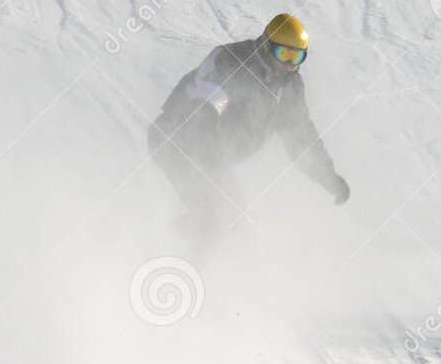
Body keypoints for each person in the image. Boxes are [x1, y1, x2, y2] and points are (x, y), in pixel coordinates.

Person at [149, 13, 350, 243]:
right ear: (266, 45)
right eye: (283, 54)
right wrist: (208, 158)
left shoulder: (288, 88)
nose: (289, 64)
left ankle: (162, 242)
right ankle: (167, 251)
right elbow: (205, 105)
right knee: (215, 214)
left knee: (233, 213)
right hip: (177, 142)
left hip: (211, 159)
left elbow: (301, 137)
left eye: (297, 57)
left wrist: (328, 177)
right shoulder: (233, 61)